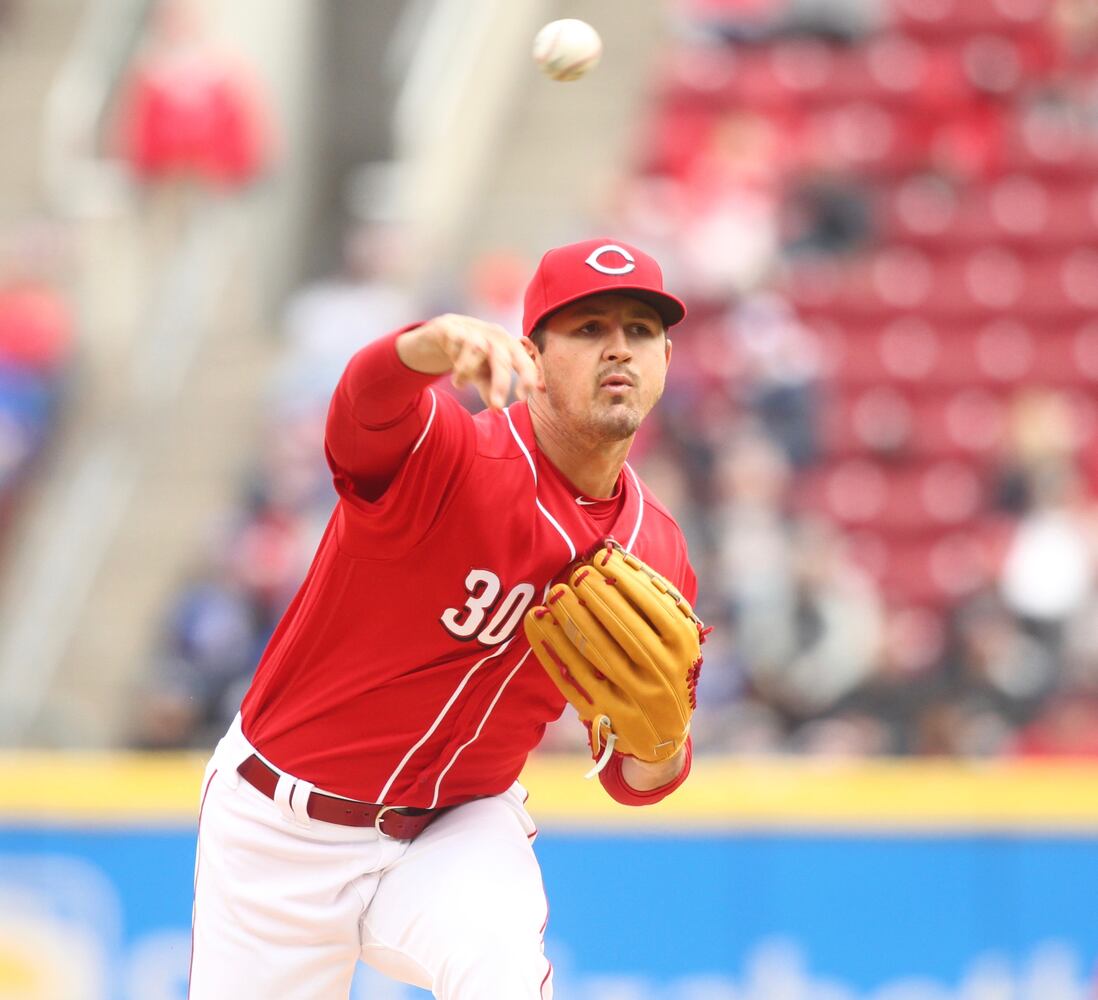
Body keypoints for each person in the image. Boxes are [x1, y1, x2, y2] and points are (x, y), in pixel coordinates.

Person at [188, 238, 700, 999]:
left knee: (504, 980)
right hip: (281, 828)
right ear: (532, 355)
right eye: (589, 330)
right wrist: (420, 350)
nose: (618, 350)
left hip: (455, 828)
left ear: (664, 357)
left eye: (640, 331)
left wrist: (662, 746)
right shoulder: (449, 453)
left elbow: (639, 779)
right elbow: (361, 413)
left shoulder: (656, 548)